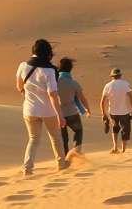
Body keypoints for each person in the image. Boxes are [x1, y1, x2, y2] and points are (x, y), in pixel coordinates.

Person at [16, 38, 68, 175]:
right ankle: (61, 164)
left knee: (33, 139)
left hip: (29, 109)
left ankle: (27, 168)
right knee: (56, 137)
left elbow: (19, 86)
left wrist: (28, 96)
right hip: (48, 111)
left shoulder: (23, 66)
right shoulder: (50, 71)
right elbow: (52, 94)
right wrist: (60, 115)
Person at [100, 67, 132, 153]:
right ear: (120, 75)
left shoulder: (107, 85)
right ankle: (123, 150)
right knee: (125, 130)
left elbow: (102, 101)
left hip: (112, 112)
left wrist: (103, 114)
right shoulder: (125, 84)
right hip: (124, 112)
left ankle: (115, 147)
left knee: (115, 129)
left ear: (112, 76)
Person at [57, 57, 89, 156]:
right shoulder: (73, 83)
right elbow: (82, 98)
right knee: (78, 130)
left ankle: (65, 158)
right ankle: (76, 151)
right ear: (70, 69)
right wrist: (88, 109)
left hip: (58, 114)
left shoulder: (53, 82)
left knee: (63, 138)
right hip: (72, 113)